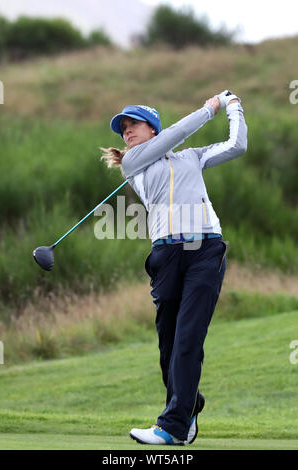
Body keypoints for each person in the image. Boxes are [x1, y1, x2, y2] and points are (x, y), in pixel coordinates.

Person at [103, 91, 247, 445]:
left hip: (205, 251)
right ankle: (189, 405)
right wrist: (207, 108)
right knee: (168, 346)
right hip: (165, 255)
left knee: (187, 340)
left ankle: (172, 426)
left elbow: (237, 145)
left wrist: (232, 107)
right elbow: (175, 134)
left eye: (132, 124)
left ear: (151, 127)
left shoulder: (192, 158)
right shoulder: (133, 162)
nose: (126, 133)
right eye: (123, 129)